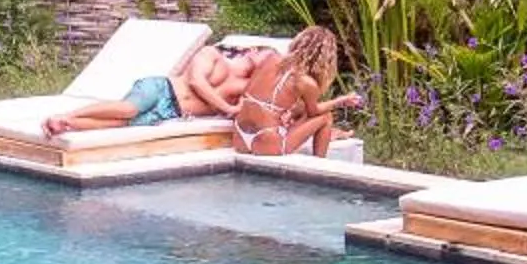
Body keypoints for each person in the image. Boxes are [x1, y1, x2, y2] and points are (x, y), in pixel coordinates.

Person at [36, 41, 254, 136]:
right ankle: (66, 114)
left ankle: (64, 123)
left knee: (121, 124)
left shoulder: (246, 89)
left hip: (170, 112)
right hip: (161, 88)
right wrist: (228, 108)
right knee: (129, 110)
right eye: (265, 53)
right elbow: (197, 81)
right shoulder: (211, 54)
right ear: (250, 51)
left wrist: (237, 109)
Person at [231, 25, 358, 158]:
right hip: (267, 141)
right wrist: (341, 101)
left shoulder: (270, 58)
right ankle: (320, 164)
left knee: (299, 109)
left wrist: (290, 113)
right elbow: (314, 112)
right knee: (326, 117)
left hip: (240, 138)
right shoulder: (305, 81)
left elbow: (261, 96)